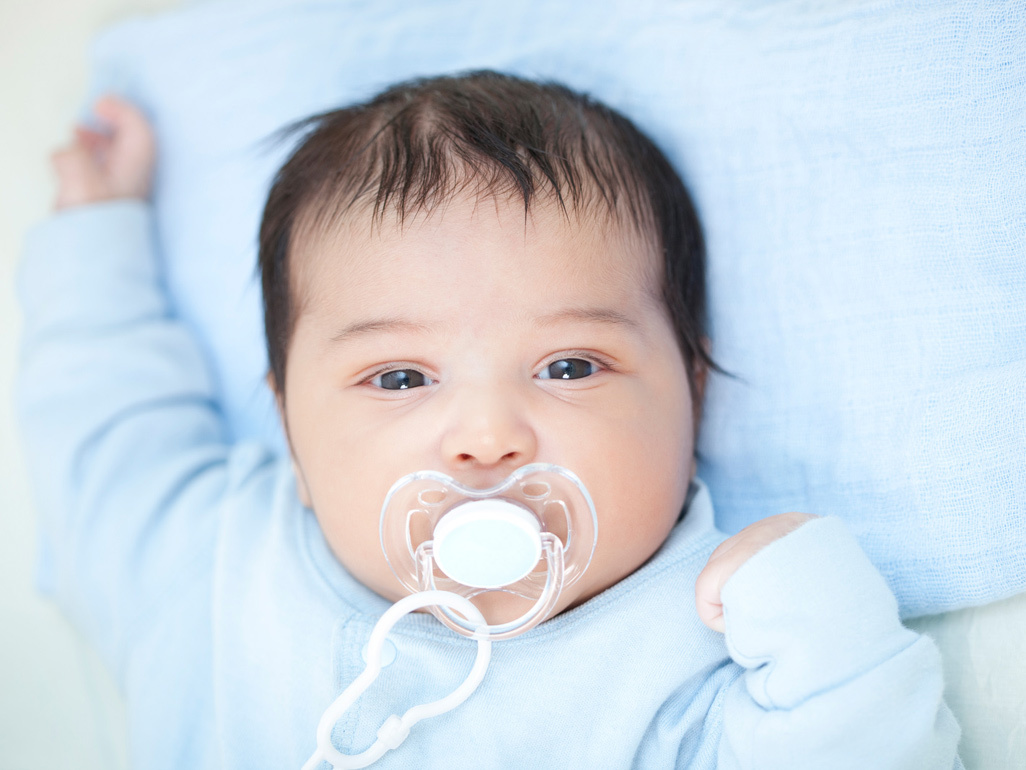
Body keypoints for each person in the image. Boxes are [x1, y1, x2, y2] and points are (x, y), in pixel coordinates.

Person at [18, 71, 961, 768]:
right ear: (290, 430)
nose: (485, 434)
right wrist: (93, 232)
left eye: (569, 365)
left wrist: (823, 619)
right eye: (396, 377)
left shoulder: (695, 652)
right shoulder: (205, 559)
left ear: (694, 393)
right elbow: (102, 420)